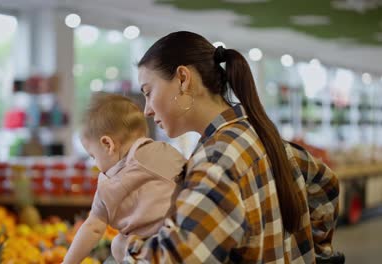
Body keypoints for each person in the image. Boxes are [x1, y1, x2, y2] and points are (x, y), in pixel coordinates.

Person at [123, 31, 340, 263]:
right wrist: (315, 254)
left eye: (148, 92)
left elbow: (176, 258)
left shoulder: (216, 159)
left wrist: (128, 249)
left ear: (183, 79)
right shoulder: (262, 136)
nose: (146, 110)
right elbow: (326, 185)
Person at [62, 93, 186, 264]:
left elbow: (92, 228)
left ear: (107, 144)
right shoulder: (165, 151)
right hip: (183, 241)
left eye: (93, 156)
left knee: (118, 244)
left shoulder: (108, 185)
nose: (95, 163)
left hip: (152, 251)